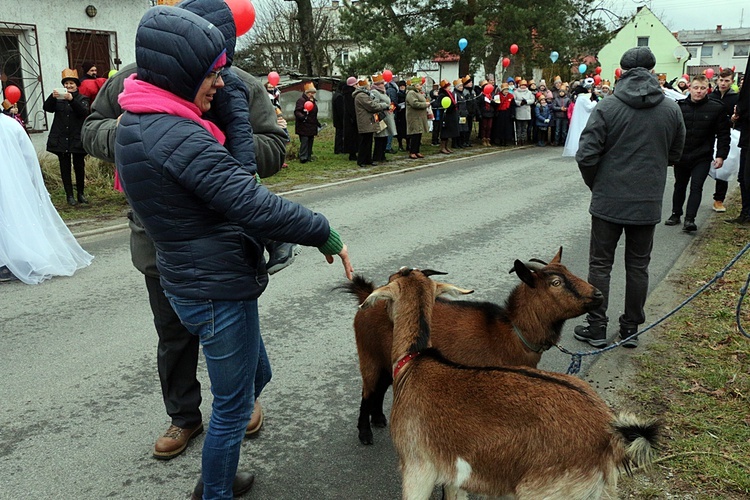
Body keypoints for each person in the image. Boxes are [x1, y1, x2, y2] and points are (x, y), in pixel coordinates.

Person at [115, 6, 353, 498]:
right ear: (181, 74)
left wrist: (229, 113)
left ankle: (220, 464)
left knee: (252, 374)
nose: (220, 85)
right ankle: (215, 490)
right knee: (230, 407)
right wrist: (325, 233)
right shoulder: (181, 137)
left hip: (192, 280)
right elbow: (250, 200)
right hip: (216, 288)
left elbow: (234, 179)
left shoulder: (138, 121)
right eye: (211, 75)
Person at [82, 0, 292, 468]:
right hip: (157, 234)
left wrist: (216, 144)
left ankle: (239, 399)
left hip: (227, 237)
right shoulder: (133, 80)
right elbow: (90, 129)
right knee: (173, 333)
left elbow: (277, 146)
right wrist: (138, 138)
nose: (216, 75)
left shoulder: (238, 83)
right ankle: (183, 415)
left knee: (235, 324)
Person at [573, 46, 685, 349]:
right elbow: (675, 153)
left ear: (621, 72)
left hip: (609, 198)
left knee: (600, 265)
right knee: (638, 266)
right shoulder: (671, 109)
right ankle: (631, 329)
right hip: (646, 200)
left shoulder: (608, 107)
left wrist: (597, 184)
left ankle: (597, 326)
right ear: (652, 71)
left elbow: (586, 156)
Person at [0, 113, 93, 284]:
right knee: (15, 220)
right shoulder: (12, 126)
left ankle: (8, 262)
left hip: (11, 185)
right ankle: (19, 257)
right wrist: (30, 182)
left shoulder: (11, 126)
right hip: (14, 185)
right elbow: (29, 159)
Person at [664, 75, 731, 233]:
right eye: (696, 88)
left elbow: (723, 134)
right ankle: (676, 214)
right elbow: (671, 132)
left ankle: (690, 219)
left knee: (696, 186)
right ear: (690, 88)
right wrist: (669, 154)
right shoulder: (679, 107)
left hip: (702, 155)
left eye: (702, 88)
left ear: (707, 89)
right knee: (679, 185)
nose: (699, 92)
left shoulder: (716, 108)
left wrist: (721, 155)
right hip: (682, 154)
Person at [43, 68, 90, 206]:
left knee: (79, 166)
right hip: (61, 139)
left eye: (71, 84)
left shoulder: (82, 98)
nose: (68, 86)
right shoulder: (58, 99)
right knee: (65, 168)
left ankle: (80, 193)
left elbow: (83, 112)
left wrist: (71, 100)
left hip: (76, 138)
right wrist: (52, 96)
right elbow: (47, 107)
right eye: (66, 84)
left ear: (76, 85)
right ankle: (69, 196)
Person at [709, 68, 741, 214]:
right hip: (708, 136)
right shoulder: (710, 97)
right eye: (721, 80)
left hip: (726, 136)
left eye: (726, 80)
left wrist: (733, 120)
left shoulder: (735, 99)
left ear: (731, 81)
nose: (723, 83)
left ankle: (719, 199)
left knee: (723, 168)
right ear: (717, 80)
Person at [353, 77, 388, 168]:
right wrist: (383, 105)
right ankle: (361, 160)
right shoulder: (361, 95)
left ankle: (368, 159)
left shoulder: (365, 94)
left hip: (368, 120)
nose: (370, 86)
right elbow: (371, 106)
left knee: (368, 141)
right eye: (368, 85)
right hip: (365, 121)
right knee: (364, 142)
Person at [371, 73, 396, 163]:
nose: (383, 85)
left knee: (385, 137)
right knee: (379, 137)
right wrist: (385, 105)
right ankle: (377, 156)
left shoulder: (384, 92)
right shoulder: (375, 92)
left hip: (387, 116)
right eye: (381, 83)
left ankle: (382, 155)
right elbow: (374, 104)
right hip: (381, 117)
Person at [294, 82, 321, 163]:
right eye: (310, 93)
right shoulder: (301, 100)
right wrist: (302, 117)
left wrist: (317, 123)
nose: (312, 94)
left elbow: (313, 114)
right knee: (304, 141)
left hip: (311, 125)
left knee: (310, 141)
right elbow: (297, 111)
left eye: (313, 93)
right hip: (303, 125)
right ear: (307, 93)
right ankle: (303, 157)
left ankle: (308, 156)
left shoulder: (313, 101)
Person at [404, 76, 429, 159]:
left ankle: (417, 151)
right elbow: (414, 104)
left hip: (420, 116)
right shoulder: (411, 93)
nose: (421, 86)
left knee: (419, 133)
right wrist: (424, 105)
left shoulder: (418, 93)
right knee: (415, 134)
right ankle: (412, 151)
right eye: (419, 85)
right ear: (414, 85)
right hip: (414, 116)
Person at [437, 79, 459, 153]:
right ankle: (442, 147)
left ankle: (446, 146)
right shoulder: (442, 95)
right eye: (449, 86)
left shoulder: (449, 93)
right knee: (445, 132)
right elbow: (440, 104)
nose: (450, 87)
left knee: (449, 131)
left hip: (450, 115)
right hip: (445, 116)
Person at [342, 76, 359, 161]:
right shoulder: (351, 94)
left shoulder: (346, 93)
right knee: (353, 136)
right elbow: (351, 107)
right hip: (351, 118)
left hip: (348, 118)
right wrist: (354, 117)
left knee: (351, 136)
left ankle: (352, 153)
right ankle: (352, 154)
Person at [513, 79, 534, 146]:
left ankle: (524, 139)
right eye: (522, 85)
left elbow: (532, 100)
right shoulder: (516, 92)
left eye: (524, 85)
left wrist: (526, 101)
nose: (523, 87)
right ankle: (518, 139)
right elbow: (514, 100)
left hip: (526, 111)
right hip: (519, 110)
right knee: (519, 127)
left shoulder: (529, 92)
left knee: (524, 127)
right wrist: (520, 103)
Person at [332, 80, 345, 154]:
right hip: (339, 119)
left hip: (337, 119)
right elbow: (340, 110)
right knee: (340, 135)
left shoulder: (336, 94)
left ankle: (338, 148)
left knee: (338, 134)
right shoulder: (339, 96)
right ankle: (339, 149)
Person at [394, 79, 408, 151]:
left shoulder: (407, 94)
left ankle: (408, 145)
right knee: (400, 131)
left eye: (403, 86)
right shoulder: (397, 94)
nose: (402, 87)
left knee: (407, 131)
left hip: (406, 114)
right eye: (401, 86)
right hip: (399, 114)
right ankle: (400, 145)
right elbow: (395, 103)